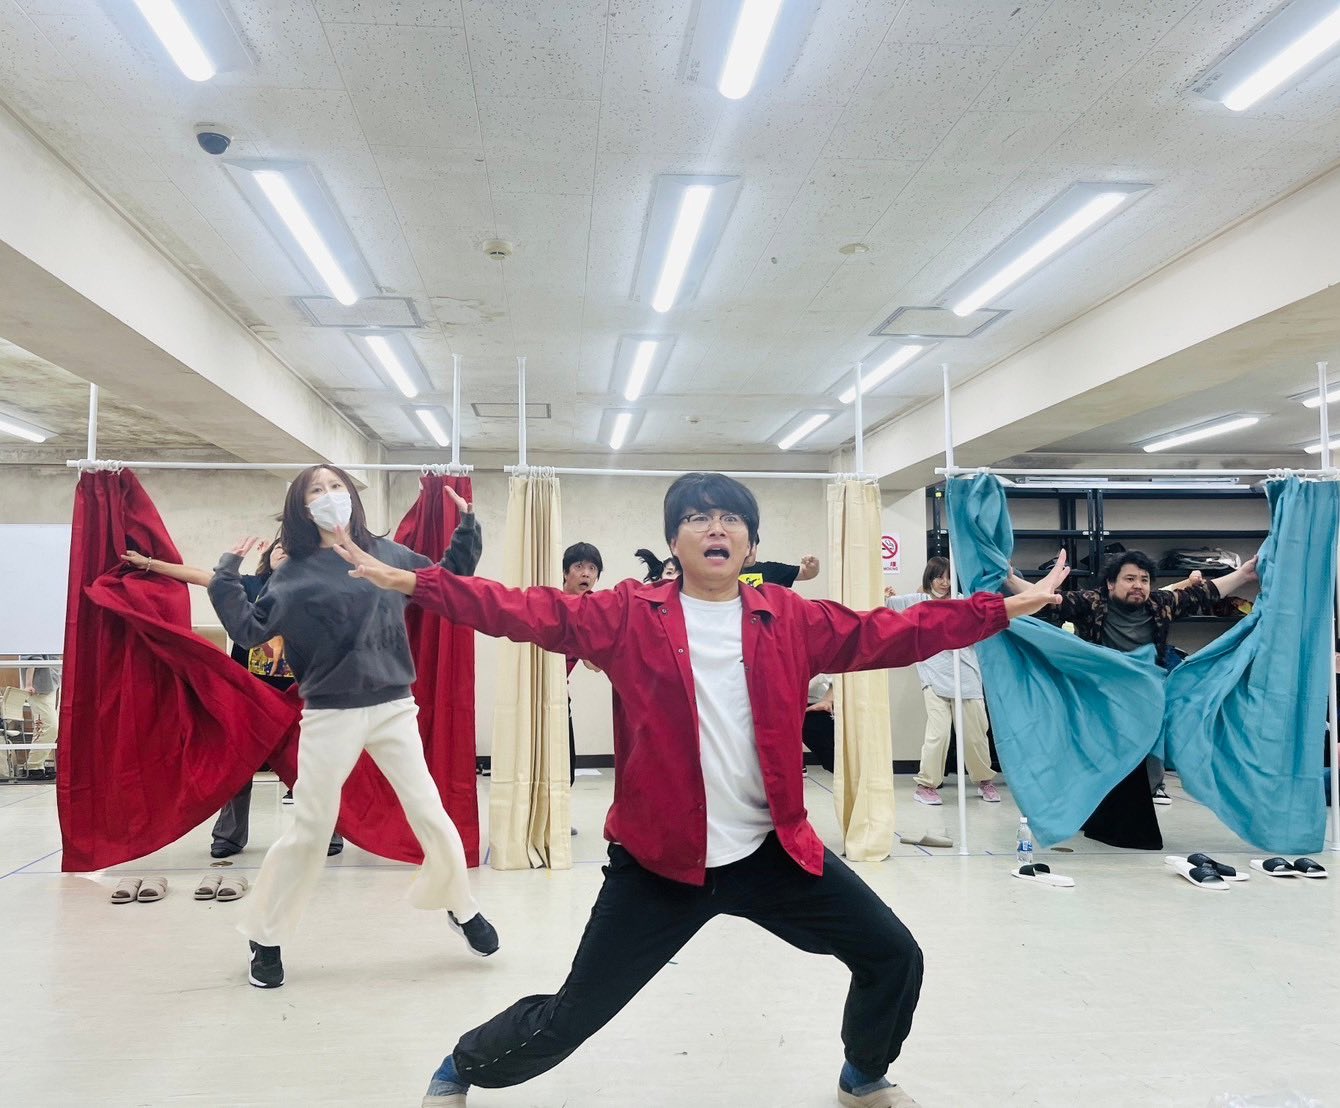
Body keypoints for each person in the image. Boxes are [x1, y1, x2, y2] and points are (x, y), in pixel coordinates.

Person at [333, 471, 1069, 1108]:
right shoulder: (628, 612)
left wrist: (998, 609)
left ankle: (863, 1075)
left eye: (731, 519)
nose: (716, 529)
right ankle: (461, 1065)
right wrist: (418, 581)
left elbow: (894, 631)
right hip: (660, 864)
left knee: (893, 955)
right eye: (697, 518)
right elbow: (521, 609)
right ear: (674, 541)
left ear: (751, 544)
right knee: (573, 1015)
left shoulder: (790, 617)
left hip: (771, 853)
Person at [206, 465, 497, 990]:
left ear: (351, 496)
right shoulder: (293, 576)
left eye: (336, 485)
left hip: (394, 706)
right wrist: (227, 573)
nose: (329, 495)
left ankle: (462, 906)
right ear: (302, 508)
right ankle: (265, 937)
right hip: (330, 713)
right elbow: (249, 631)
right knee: (312, 828)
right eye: (316, 490)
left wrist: (469, 527)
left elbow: (445, 579)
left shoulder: (387, 555)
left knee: (430, 811)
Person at [121, 538, 345, 859]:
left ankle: (326, 832)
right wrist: (148, 564)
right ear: (268, 556)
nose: (283, 550)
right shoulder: (248, 586)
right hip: (248, 695)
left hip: (296, 697)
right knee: (238, 765)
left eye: (290, 547)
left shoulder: (314, 591)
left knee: (310, 765)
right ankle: (229, 836)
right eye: (278, 547)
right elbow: (201, 576)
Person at [1007, 550, 1259, 807]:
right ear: (1111, 583)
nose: (1138, 585)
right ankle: (1094, 794)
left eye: (1144, 580)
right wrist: (1009, 578)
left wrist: (1243, 574)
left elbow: (1206, 592)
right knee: (1097, 750)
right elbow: (1047, 600)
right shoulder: (1093, 602)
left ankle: (1154, 787)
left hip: (1146, 694)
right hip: (1101, 693)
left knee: (1155, 733)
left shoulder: (1160, 604)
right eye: (1130, 579)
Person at [885, 558, 999, 806]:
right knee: (938, 734)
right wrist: (886, 594)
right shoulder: (917, 601)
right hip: (934, 677)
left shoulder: (962, 602)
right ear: (929, 577)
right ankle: (926, 785)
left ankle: (984, 781)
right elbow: (886, 608)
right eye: (939, 577)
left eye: (948, 577)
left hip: (967, 677)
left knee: (975, 736)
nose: (944, 583)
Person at [561, 542, 604, 794]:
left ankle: (556, 814)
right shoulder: (550, 601)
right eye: (579, 566)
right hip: (530, 692)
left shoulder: (592, 610)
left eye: (592, 568)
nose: (586, 573)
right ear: (565, 572)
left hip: (559, 696)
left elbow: (594, 665)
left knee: (566, 769)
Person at [18, 654, 59, 777]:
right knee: (48, 727)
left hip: (49, 685)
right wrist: (28, 684)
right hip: (39, 688)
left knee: (46, 727)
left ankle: (37, 765)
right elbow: (32, 657)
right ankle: (33, 766)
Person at [739, 545, 819, 588]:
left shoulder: (771, 569)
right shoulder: (730, 572)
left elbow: (805, 573)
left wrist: (812, 567)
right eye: (742, 546)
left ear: (756, 547)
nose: (747, 552)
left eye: (750, 546)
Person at [803, 673, 835, 773]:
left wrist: (828, 700)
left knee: (832, 757)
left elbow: (841, 678)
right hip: (779, 705)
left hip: (816, 703)